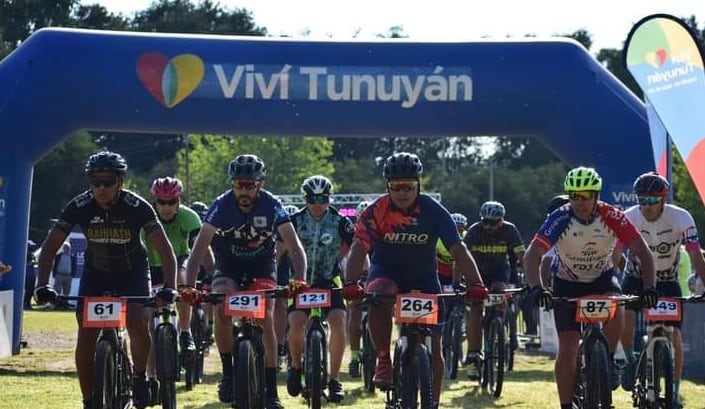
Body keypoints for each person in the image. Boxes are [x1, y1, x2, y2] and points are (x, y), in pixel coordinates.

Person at [32, 151, 178, 409]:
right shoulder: (79, 206)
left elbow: (164, 250)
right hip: (96, 273)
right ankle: (89, 400)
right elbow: (50, 246)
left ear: (120, 181)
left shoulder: (137, 207)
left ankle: (139, 376)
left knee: (138, 320)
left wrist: (170, 287)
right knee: (86, 334)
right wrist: (42, 285)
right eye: (95, 181)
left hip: (132, 272)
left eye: (107, 182)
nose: (100, 188)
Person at [343, 152, 488, 409]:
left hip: (424, 277)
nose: (401, 192)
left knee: (434, 345)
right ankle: (384, 359)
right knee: (379, 292)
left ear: (418, 185)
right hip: (386, 272)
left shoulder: (433, 210)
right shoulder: (375, 211)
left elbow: (458, 250)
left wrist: (476, 284)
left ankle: (432, 402)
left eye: (408, 186)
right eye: (395, 187)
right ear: (387, 187)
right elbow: (358, 249)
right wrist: (351, 284)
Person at [523, 166, 657, 409]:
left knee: (616, 306)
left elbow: (642, 252)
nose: (579, 202)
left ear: (596, 195)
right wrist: (537, 288)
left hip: (602, 278)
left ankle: (606, 361)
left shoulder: (612, 215)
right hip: (567, 283)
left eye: (585, 196)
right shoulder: (560, 217)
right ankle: (566, 405)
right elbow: (533, 255)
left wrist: (649, 287)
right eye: (574, 196)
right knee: (568, 347)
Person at [184, 154, 307, 409]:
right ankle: (228, 374)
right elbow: (198, 250)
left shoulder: (272, 205)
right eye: (239, 184)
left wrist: (300, 278)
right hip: (228, 266)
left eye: (250, 185)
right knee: (220, 309)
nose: (244, 190)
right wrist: (189, 285)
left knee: (266, 318)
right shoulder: (221, 205)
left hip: (262, 266)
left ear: (260, 184)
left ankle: (271, 391)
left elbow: (295, 247)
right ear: (232, 184)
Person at [618, 172, 705, 406]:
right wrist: (616, 273)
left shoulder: (681, 217)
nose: (646, 207)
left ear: (663, 199)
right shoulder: (628, 217)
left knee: (675, 333)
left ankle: (674, 391)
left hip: (667, 279)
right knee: (626, 316)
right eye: (641, 200)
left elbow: (696, 254)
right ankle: (628, 360)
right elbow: (615, 252)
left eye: (652, 201)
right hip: (635, 276)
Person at [285, 175, 354, 402]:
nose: (317, 203)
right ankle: (295, 366)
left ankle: (334, 380)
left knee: (338, 321)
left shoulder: (341, 221)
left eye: (323, 198)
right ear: (305, 198)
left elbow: (357, 250)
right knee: (296, 323)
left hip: (329, 279)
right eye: (312, 198)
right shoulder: (293, 220)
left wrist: (358, 273)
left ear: (329, 198)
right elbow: (277, 250)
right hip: (301, 281)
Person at [142, 176, 208, 404]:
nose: (167, 207)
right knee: (148, 325)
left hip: (179, 261)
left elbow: (202, 247)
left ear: (179, 201)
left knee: (183, 280)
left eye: (172, 202)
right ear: (155, 201)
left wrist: (211, 273)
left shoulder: (189, 216)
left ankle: (186, 331)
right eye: (162, 202)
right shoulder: (145, 216)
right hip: (150, 266)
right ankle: (150, 377)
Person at [462, 200, 525, 371]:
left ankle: (500, 328)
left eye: (494, 222)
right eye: (486, 222)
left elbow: (521, 255)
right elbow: (460, 257)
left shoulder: (510, 230)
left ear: (502, 220)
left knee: (499, 294)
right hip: (477, 272)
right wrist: (457, 281)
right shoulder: (474, 231)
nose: (489, 226)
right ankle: (474, 353)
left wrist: (529, 280)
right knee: (476, 310)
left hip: (499, 271)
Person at [346, 200, 371, 378]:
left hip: (376, 275)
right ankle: (354, 357)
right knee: (355, 310)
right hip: (360, 274)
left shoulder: (383, 230)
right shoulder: (353, 233)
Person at [274, 203, 300, 370]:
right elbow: (275, 262)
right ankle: (279, 345)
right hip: (282, 272)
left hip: (298, 273)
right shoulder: (280, 239)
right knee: (279, 303)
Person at [24, 240, 38, 310]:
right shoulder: (25, 254)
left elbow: (34, 262)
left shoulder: (32, 254)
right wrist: (32, 263)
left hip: (32, 274)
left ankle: (28, 303)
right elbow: (27, 264)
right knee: (27, 289)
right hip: (27, 274)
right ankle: (25, 303)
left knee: (31, 290)